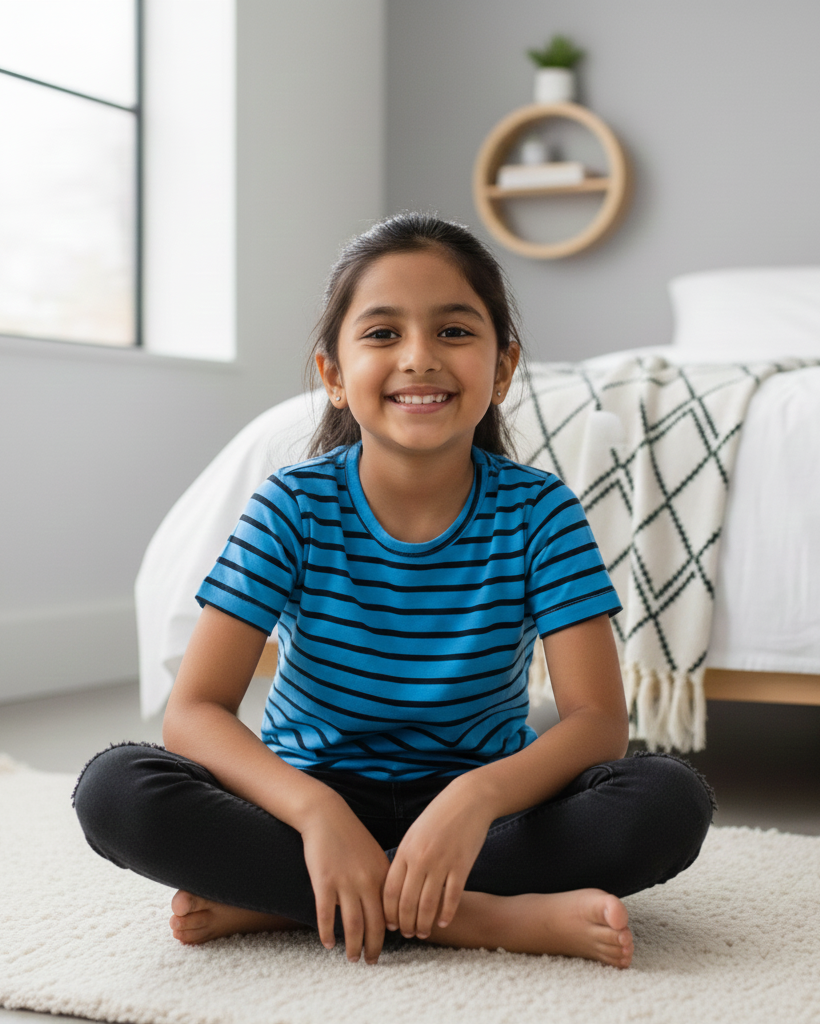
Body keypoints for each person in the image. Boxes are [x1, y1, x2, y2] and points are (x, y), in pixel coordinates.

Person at [73, 213, 714, 970]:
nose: (419, 358)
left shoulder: (541, 511)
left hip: (481, 809)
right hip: (306, 801)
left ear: (502, 370)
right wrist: (316, 815)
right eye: (381, 334)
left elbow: (596, 721)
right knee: (115, 790)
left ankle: (296, 904)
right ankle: (477, 916)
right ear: (334, 374)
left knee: (669, 802)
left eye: (454, 332)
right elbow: (197, 709)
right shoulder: (292, 505)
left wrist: (473, 801)